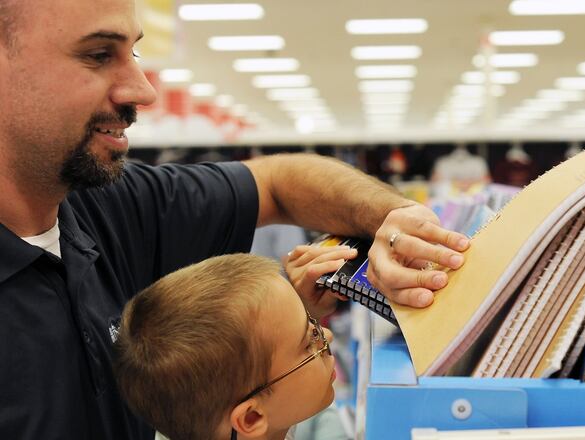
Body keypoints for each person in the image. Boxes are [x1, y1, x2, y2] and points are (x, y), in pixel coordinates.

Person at [0, 0, 470, 438]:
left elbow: (282, 181)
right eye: (99, 54)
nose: (143, 90)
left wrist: (402, 222)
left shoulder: (108, 202)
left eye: (135, 51)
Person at [113, 254, 341, 440]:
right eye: (309, 344)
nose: (327, 336)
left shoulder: (205, 418)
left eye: (314, 324)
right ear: (252, 418)